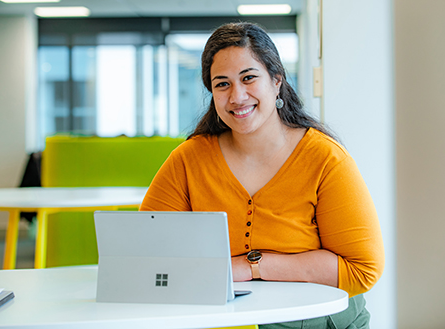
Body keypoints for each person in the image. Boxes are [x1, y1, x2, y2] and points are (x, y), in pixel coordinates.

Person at [140, 22, 385, 328]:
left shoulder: (325, 158)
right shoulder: (189, 160)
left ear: (276, 80)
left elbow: (362, 270)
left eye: (249, 78)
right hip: (225, 321)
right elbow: (145, 256)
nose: (237, 96)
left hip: (319, 322)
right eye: (222, 84)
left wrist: (251, 267)